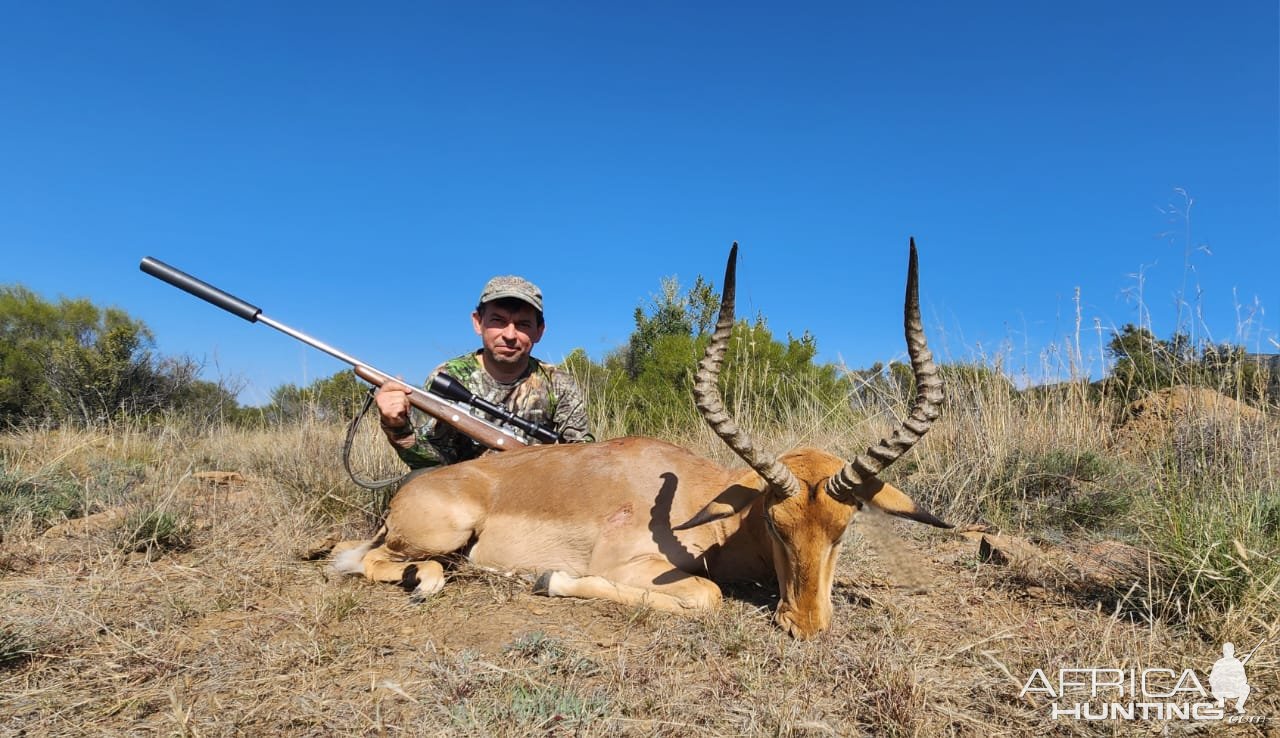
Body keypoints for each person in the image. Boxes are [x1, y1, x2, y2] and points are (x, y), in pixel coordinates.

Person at [375, 275, 593, 468]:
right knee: (416, 482)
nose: (509, 334)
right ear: (478, 323)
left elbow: (584, 458)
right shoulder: (448, 378)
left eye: (523, 324)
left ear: (539, 331)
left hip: (538, 490)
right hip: (469, 495)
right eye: (498, 321)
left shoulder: (559, 383)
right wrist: (398, 428)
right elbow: (430, 465)